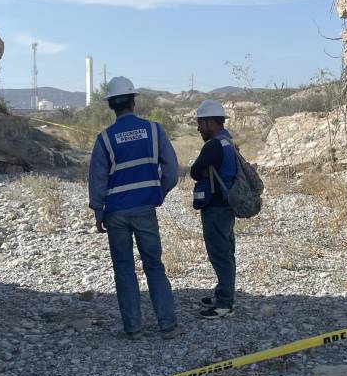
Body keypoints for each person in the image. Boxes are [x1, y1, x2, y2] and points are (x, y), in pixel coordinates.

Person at [88, 76, 181, 339]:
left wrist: (98, 211)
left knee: (124, 268)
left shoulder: (104, 138)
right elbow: (172, 172)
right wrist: (157, 192)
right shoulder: (154, 130)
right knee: (153, 265)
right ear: (133, 101)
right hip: (144, 209)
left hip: (115, 213)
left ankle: (133, 328)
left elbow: (97, 179)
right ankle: (168, 325)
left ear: (110, 106)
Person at [190, 99, 238, 319]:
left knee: (220, 255)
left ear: (210, 122)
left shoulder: (214, 145)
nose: (199, 128)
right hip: (226, 206)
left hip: (216, 208)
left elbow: (194, 170)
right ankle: (223, 295)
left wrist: (202, 172)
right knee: (226, 253)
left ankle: (224, 305)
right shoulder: (228, 141)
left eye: (200, 123)